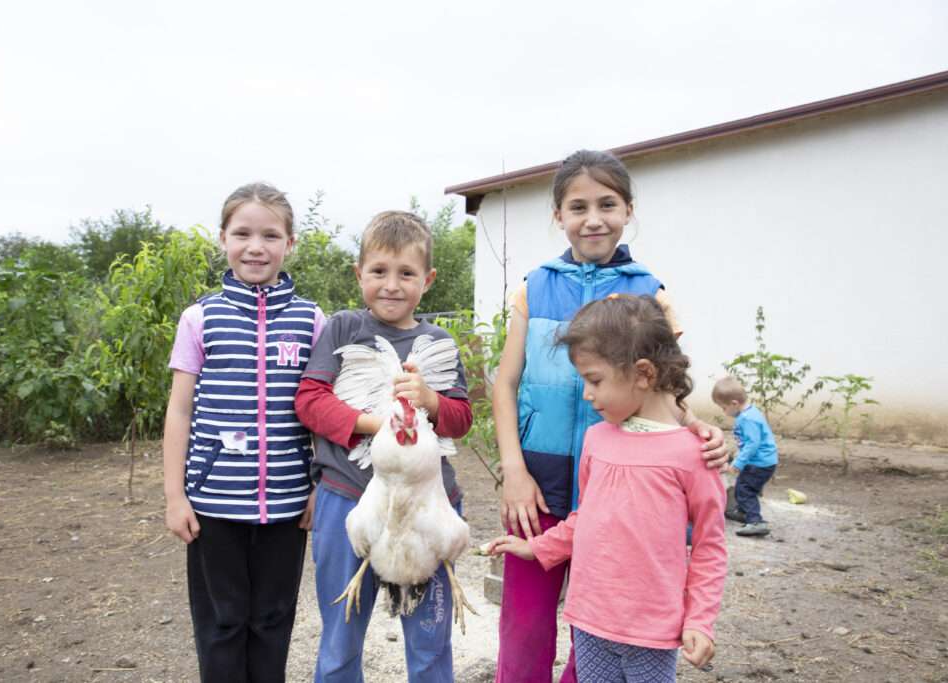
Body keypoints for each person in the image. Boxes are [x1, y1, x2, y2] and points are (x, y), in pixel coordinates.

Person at [491, 149, 729, 683]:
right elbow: (505, 384)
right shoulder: (534, 287)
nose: (592, 217)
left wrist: (700, 429)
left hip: (622, 493)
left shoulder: (653, 293)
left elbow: (666, 382)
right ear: (558, 215)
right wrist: (514, 471)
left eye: (607, 203)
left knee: (600, 628)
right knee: (524, 626)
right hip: (539, 483)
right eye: (577, 206)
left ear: (628, 210)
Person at [294, 210, 473, 683]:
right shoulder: (342, 329)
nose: (391, 285)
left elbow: (460, 420)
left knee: (431, 641)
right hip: (348, 499)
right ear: (359, 275)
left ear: (428, 280)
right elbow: (310, 401)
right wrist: (379, 424)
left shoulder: (438, 342)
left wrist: (430, 401)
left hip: (426, 508)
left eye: (406, 273)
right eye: (378, 272)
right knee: (340, 638)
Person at [162, 182, 325, 682]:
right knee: (221, 624)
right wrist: (175, 496)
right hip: (212, 505)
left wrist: (319, 486)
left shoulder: (311, 320)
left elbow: (321, 408)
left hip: (287, 504)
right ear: (223, 239)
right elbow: (180, 412)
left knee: (273, 622)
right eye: (243, 233)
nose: (256, 246)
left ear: (290, 244)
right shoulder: (200, 318)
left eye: (271, 235)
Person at [712, 376, 778, 537]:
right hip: (764, 461)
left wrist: (738, 463)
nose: (724, 411)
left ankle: (755, 521)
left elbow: (752, 444)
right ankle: (743, 511)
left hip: (759, 463)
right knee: (746, 486)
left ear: (734, 403)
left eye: (723, 407)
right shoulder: (750, 413)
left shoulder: (747, 419)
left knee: (745, 489)